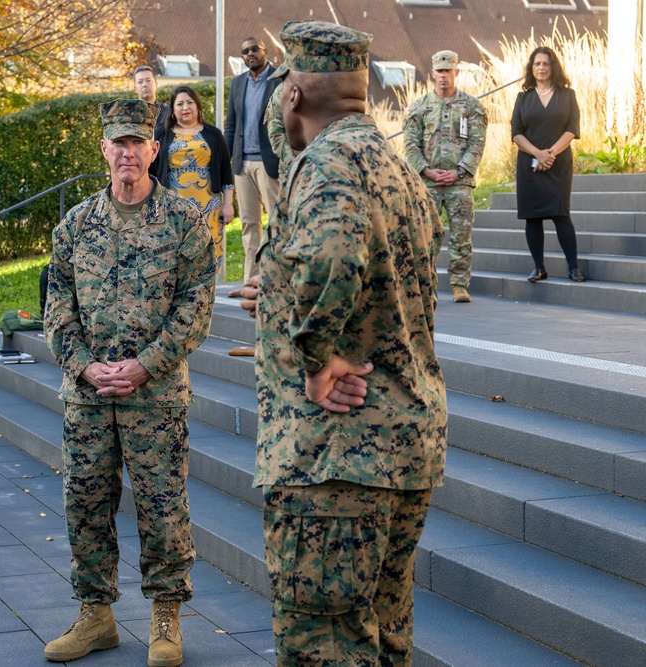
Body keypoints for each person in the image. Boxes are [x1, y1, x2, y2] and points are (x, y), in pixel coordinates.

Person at [255, 21, 447, 666]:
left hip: (336, 457)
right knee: (383, 639)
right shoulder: (397, 166)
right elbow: (383, 271)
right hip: (402, 444)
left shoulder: (327, 162)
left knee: (327, 646)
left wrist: (317, 354)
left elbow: (333, 253)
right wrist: (284, 290)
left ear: (292, 94)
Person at [43, 99, 216, 666]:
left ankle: (166, 615)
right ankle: (96, 614)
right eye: (118, 143)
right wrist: (87, 367)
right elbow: (57, 311)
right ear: (104, 150)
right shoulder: (74, 226)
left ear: (154, 149)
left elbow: (196, 306)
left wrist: (147, 363)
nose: (127, 152)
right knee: (85, 502)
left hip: (156, 395)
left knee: (162, 505)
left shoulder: (185, 221)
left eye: (137, 143)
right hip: (88, 397)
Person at [403, 50, 488, 303]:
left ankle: (459, 284)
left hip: (459, 183)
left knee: (461, 236)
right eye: (439, 71)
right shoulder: (418, 107)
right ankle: (426, 284)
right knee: (425, 235)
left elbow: (477, 143)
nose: (443, 76)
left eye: (448, 71)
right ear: (432, 73)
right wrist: (426, 170)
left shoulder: (471, 107)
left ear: (456, 73)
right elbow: (410, 145)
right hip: (427, 183)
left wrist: (458, 171)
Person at [511, 46, 585, 283]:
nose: (541, 68)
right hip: (529, 165)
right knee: (532, 217)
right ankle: (539, 267)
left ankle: (573, 267)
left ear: (553, 67)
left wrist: (549, 154)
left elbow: (572, 129)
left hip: (559, 163)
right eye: (537, 64)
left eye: (545, 63)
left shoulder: (567, 95)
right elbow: (516, 133)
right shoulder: (523, 98)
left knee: (561, 214)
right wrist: (537, 154)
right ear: (531, 69)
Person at [150, 85, 234, 275]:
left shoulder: (213, 134)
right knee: (174, 259)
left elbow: (226, 172)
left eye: (190, 102)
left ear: (197, 106)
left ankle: (207, 302)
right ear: (173, 109)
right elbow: (151, 173)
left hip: (209, 208)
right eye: (180, 103)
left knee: (206, 261)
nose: (185, 107)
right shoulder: (161, 134)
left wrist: (228, 204)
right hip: (171, 207)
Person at [225, 36, 281, 291]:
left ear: (265, 51)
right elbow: (230, 125)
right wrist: (225, 160)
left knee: (277, 221)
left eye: (254, 49)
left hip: (269, 162)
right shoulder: (238, 83)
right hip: (242, 164)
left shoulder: (280, 78)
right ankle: (250, 281)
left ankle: (276, 279)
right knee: (249, 224)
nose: (250, 54)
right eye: (245, 51)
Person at [133, 65, 170, 136]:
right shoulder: (129, 114)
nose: (144, 85)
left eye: (148, 80)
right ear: (135, 88)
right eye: (140, 82)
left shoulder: (168, 112)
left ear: (156, 84)